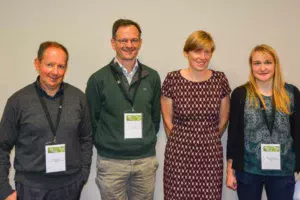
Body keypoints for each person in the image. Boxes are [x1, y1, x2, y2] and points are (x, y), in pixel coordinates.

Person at [0, 41, 93, 200]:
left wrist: (82, 175)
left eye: (61, 66)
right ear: (37, 64)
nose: (55, 72)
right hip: (31, 189)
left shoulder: (78, 98)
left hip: (70, 187)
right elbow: (2, 146)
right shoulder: (18, 101)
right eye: (50, 65)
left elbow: (86, 138)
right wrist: (3, 189)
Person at [85, 19, 161, 200]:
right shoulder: (98, 79)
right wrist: (110, 143)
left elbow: (155, 118)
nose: (129, 45)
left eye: (134, 40)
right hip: (111, 164)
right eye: (123, 40)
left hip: (145, 162)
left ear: (140, 43)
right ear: (113, 43)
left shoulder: (152, 77)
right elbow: (91, 121)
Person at [161, 30, 231, 199]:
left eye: (207, 52)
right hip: (179, 154)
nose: (202, 57)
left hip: (210, 155)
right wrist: (184, 141)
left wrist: (206, 139)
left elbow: (223, 121)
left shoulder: (219, 80)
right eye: (197, 51)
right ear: (186, 53)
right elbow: (167, 120)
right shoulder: (172, 80)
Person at [226, 44, 300, 200]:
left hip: (283, 170)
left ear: (275, 64)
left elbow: (298, 132)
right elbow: (233, 135)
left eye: (267, 62)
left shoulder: (291, 93)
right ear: (251, 66)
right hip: (248, 171)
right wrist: (229, 171)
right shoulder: (240, 94)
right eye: (257, 63)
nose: (262, 68)